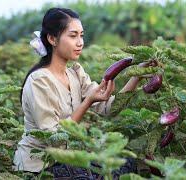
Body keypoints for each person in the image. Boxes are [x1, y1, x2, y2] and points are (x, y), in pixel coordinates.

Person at [13, 7, 149, 179]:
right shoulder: (39, 81)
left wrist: (137, 74)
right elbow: (54, 138)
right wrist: (87, 102)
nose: (80, 42)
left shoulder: (75, 73)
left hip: (65, 159)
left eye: (81, 35)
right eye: (73, 35)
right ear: (52, 39)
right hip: (39, 167)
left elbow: (109, 108)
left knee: (125, 163)